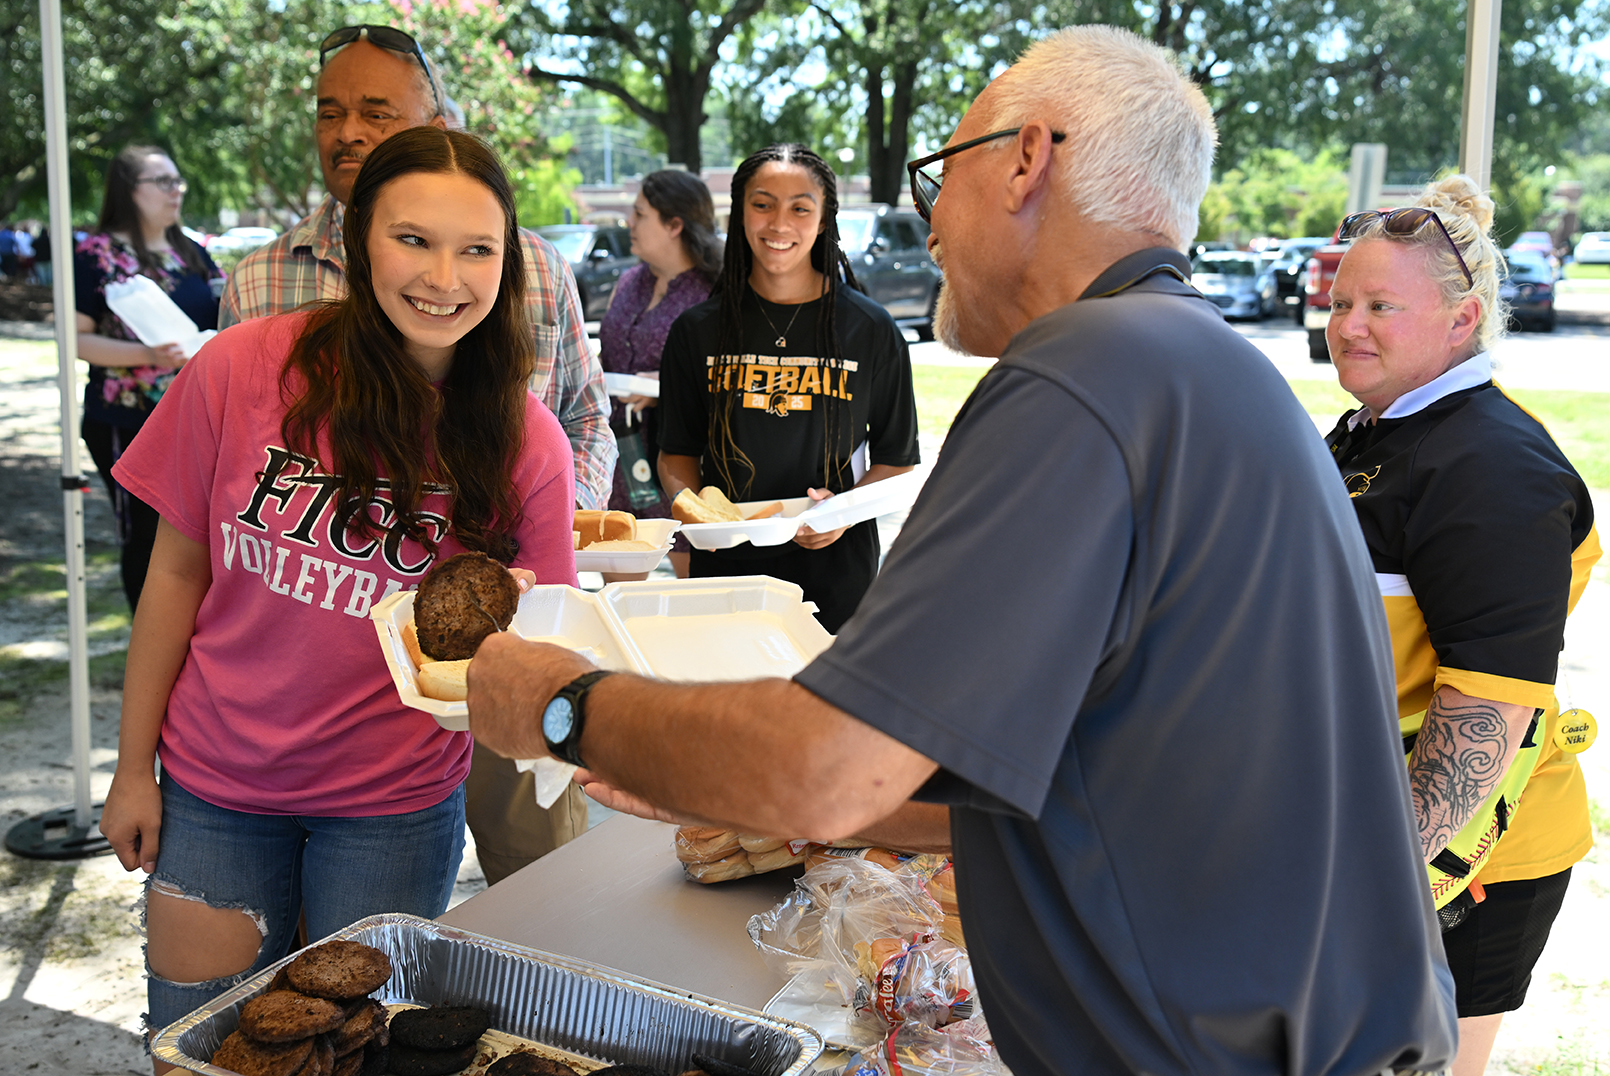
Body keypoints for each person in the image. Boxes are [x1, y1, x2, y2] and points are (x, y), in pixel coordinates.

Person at [467, 26, 1457, 1076]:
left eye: (938, 174)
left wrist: (562, 704)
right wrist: (713, 775)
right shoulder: (1208, 364)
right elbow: (1061, 771)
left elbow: (828, 766)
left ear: (1026, 159)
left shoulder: (1083, 370)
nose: (928, 218)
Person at [99, 127, 577, 1065]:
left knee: (351, 1053)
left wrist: (523, 638)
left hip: (391, 809)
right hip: (214, 792)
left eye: (477, 248)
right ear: (359, 240)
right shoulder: (239, 370)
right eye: (413, 239)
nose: (445, 276)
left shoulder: (528, 443)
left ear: (507, 262)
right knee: (202, 1048)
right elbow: (174, 576)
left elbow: (550, 643)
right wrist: (129, 768)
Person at [218, 23, 606, 883]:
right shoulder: (260, 283)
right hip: (324, 687)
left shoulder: (530, 266)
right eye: (330, 111)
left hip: (496, 634)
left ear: (440, 117)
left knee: (544, 884)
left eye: (377, 109)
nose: (348, 129)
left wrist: (550, 522)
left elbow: (582, 414)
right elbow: (234, 485)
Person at [1323, 176, 1600, 1076]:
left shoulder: (1490, 464)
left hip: (1465, 864)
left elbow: (1486, 713)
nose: (1348, 325)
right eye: (1339, 301)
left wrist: (1372, 893)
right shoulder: (1379, 429)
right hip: (1371, 838)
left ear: (1461, 318)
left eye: (1379, 305)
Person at [657, 144, 920, 632]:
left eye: (800, 207)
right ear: (740, 215)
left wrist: (843, 511)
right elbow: (676, 455)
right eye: (762, 204)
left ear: (823, 221)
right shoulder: (696, 331)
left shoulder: (871, 329)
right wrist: (694, 512)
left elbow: (898, 458)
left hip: (837, 580)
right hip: (726, 577)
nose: (779, 223)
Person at [74, 145, 222, 611]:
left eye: (178, 181)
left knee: (197, 537)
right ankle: (148, 645)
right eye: (162, 182)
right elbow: (75, 340)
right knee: (144, 535)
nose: (175, 190)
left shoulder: (192, 251)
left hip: (196, 415)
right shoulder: (96, 254)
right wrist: (149, 354)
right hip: (126, 420)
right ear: (128, 189)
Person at [597, 170, 722, 581]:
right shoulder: (629, 281)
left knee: (696, 591)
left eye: (639, 213)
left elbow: (727, 381)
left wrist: (666, 388)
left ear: (674, 225)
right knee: (617, 592)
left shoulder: (714, 292)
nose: (629, 223)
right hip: (621, 456)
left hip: (679, 460)